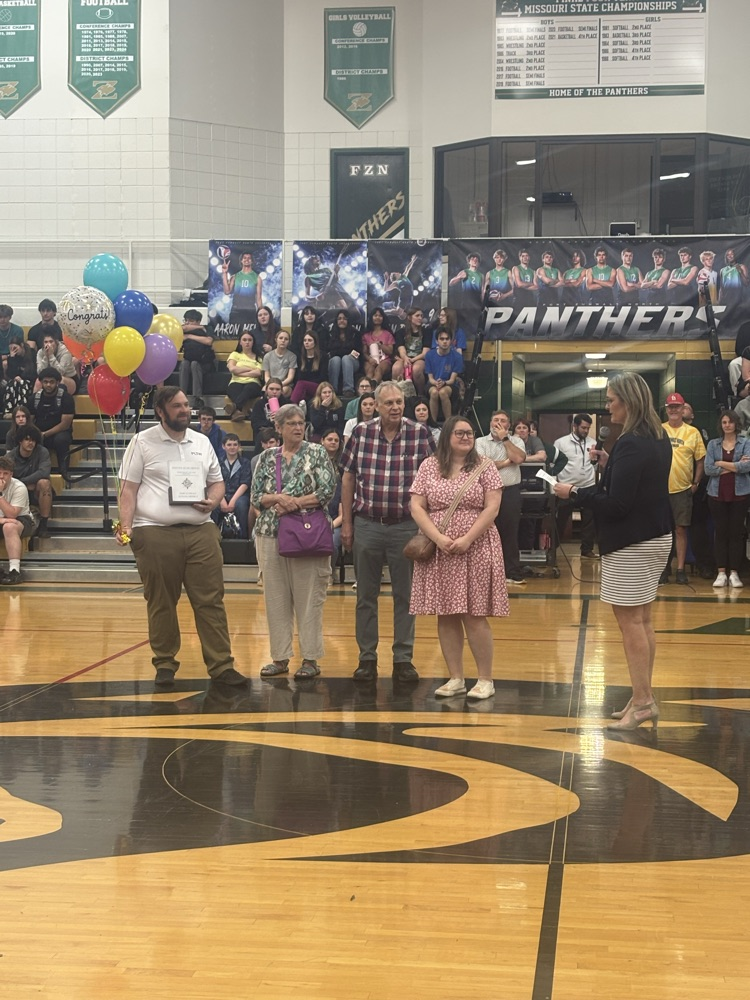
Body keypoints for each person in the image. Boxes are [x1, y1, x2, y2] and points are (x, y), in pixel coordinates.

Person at [553, 373, 671, 731]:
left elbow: (617, 504)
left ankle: (644, 701)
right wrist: (609, 463)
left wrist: (573, 493)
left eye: (611, 400)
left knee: (631, 623)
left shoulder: (631, 442)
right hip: (654, 535)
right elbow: (639, 485)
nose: (607, 407)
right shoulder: (658, 436)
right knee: (644, 620)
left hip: (632, 542)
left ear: (629, 402)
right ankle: (641, 697)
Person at [116, 386, 247, 690]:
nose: (184, 410)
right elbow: (128, 490)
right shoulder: (141, 442)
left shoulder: (201, 442)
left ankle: (222, 665)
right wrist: (126, 527)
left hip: (201, 530)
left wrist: (213, 502)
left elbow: (216, 483)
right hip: (154, 531)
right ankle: (164, 663)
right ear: (160, 411)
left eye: (186, 405)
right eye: (176, 406)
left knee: (211, 600)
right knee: (161, 601)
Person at [340, 381, 436, 683]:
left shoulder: (420, 434)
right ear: (376, 406)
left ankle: (402, 659)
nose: (396, 407)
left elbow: (433, 480)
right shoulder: (360, 433)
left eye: (399, 402)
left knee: (405, 597)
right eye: (389, 403)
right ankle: (366, 658)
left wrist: (428, 526)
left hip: (406, 527)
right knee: (365, 596)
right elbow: (348, 478)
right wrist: (347, 522)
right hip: (367, 524)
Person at [410, 414, 508, 700]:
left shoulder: (485, 466)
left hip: (476, 546)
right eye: (460, 433)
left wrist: (466, 539)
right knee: (446, 613)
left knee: (473, 613)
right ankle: (455, 677)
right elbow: (417, 506)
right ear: (447, 437)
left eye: (469, 433)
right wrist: (439, 539)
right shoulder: (429, 466)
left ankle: (485, 679)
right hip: (440, 547)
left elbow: (492, 508)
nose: (466, 437)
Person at [250, 404, 336, 680]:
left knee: (309, 597)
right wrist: (278, 499)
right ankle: (280, 657)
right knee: (275, 599)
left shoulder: (317, 452)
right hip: (269, 534)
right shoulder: (266, 458)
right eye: (292, 424)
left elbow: (326, 491)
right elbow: (255, 498)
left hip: (307, 534)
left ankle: (310, 658)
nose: (298, 428)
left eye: (301, 423)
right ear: (279, 427)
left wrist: (293, 502)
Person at [476, 410, 527, 585]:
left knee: (510, 532)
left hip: (510, 491)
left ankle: (512, 571)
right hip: (487, 493)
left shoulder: (517, 441)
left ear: (508, 425)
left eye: (503, 421)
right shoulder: (480, 442)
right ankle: (489, 573)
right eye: (495, 420)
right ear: (490, 423)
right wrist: (506, 462)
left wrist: (505, 439)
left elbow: (519, 457)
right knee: (487, 533)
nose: (498, 423)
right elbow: (483, 466)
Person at [662, 391, 706, 584]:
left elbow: (700, 460)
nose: (674, 410)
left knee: (680, 529)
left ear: (682, 409)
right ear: (666, 409)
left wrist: (695, 483)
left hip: (682, 489)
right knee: (662, 531)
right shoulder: (659, 430)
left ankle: (680, 569)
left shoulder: (693, 432)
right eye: (670, 407)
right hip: (660, 490)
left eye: (677, 407)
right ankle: (664, 568)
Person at [704, 409, 750, 589]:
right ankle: (721, 572)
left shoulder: (745, 442)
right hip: (716, 494)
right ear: (720, 425)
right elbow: (708, 469)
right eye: (724, 422)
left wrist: (722, 464)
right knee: (721, 533)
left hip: (740, 494)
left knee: (736, 534)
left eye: (730, 422)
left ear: (735, 424)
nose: (727, 425)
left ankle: (735, 573)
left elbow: (747, 466)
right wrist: (735, 466)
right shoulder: (713, 445)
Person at [554, 413, 598, 558]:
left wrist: (594, 461)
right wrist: (555, 485)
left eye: (588, 428)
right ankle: (553, 549)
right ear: (575, 426)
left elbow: (596, 466)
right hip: (566, 487)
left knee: (589, 519)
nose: (586, 431)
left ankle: (586, 550)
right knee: (561, 519)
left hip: (588, 486)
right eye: (583, 428)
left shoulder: (593, 442)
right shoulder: (561, 443)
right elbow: (553, 465)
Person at [7, 425, 53, 538]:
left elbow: (44, 472)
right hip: (17, 492)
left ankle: (44, 525)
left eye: (33, 440)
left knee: (44, 483)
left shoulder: (42, 452)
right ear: (20, 441)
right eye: (27, 439)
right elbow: (5, 477)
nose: (30, 443)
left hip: (35, 492)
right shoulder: (10, 456)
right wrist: (23, 485)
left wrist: (22, 482)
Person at [30, 368, 75, 476]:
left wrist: (45, 434)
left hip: (59, 433)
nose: (48, 385)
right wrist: (37, 434)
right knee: (27, 438)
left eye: (51, 382)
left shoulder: (66, 398)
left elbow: (65, 424)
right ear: (41, 382)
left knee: (61, 440)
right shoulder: (34, 398)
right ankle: (33, 472)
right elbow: (29, 420)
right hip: (39, 432)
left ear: (58, 382)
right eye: (45, 382)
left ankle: (64, 473)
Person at [0, 455, 37, 586]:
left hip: (22, 519)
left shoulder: (19, 487)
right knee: (5, 524)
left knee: (9, 527)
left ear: (11, 474)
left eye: (5, 473)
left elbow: (12, 514)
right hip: (2, 519)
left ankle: (14, 571)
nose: (2, 477)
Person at [211, 432, 251, 539]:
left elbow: (245, 483)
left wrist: (233, 501)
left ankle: (243, 538)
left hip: (239, 495)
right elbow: (214, 481)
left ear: (239, 446)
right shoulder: (217, 462)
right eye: (229, 445)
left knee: (241, 505)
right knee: (213, 505)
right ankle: (212, 537)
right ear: (223, 446)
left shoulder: (245, 462)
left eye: (235, 444)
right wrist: (221, 500)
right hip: (220, 495)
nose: (232, 447)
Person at [425, 328, 464, 423]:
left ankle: (448, 423)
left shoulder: (457, 357)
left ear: (451, 341)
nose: (444, 341)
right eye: (441, 339)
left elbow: (452, 380)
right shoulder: (429, 355)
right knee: (434, 392)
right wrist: (436, 383)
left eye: (447, 339)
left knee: (442, 392)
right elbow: (430, 378)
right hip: (433, 383)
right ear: (436, 341)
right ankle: (433, 424)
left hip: (450, 384)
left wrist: (444, 383)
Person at [179, 309, 215, 408]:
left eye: (190, 320)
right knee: (184, 364)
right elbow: (182, 329)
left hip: (204, 362)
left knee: (194, 364)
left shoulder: (207, 328)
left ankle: (197, 398)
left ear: (198, 321)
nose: (187, 323)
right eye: (185, 320)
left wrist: (190, 336)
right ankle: (181, 396)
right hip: (188, 361)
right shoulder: (182, 330)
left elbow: (208, 341)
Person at [224, 331, 263, 421]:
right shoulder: (235, 354)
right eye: (244, 340)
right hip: (235, 382)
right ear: (240, 342)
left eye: (250, 340)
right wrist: (251, 369)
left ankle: (234, 408)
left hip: (253, 383)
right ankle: (238, 411)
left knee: (248, 388)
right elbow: (232, 369)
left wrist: (240, 371)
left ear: (253, 342)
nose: (247, 342)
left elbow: (258, 373)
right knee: (235, 389)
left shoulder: (258, 357)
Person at [222, 250, 263, 332]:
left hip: (250, 310)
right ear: (241, 260)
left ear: (252, 261)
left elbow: (258, 298)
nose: (247, 260)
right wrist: (224, 273)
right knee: (234, 336)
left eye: (249, 258)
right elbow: (227, 291)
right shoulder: (235, 276)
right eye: (244, 258)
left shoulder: (257, 278)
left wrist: (261, 312)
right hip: (236, 310)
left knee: (250, 335)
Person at [392, 307, 429, 393]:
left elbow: (425, 353)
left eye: (421, 316)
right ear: (409, 317)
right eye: (417, 316)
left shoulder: (426, 332)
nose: (420, 318)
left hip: (419, 358)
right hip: (404, 357)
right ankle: (397, 394)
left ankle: (420, 394)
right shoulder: (401, 332)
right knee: (396, 368)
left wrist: (411, 360)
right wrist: (405, 358)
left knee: (416, 369)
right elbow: (401, 349)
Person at [326, 310, 361, 396]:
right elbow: (329, 350)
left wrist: (343, 353)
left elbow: (358, 352)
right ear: (336, 321)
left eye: (345, 319)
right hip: (335, 362)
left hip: (352, 362)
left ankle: (348, 390)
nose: (342, 320)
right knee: (336, 359)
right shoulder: (330, 334)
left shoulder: (355, 334)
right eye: (339, 318)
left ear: (348, 320)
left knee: (346, 358)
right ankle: (332, 390)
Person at [291, 330, 328, 405]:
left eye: (309, 340)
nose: (306, 342)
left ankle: (290, 406)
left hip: (318, 387)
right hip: (304, 388)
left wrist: (307, 383)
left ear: (315, 342)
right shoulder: (300, 357)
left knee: (301, 384)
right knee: (302, 394)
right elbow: (298, 376)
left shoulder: (323, 356)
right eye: (305, 340)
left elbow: (322, 377)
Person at [3, 334, 36, 413]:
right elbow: (10, 374)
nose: (13, 351)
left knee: (22, 384)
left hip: (29, 380)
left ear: (21, 345)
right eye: (11, 349)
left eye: (15, 348)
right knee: (11, 384)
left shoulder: (32, 353)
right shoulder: (12, 357)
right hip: (17, 380)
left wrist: (22, 378)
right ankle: (9, 410)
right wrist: (12, 359)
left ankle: (21, 410)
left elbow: (33, 372)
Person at [362, 308, 395, 383]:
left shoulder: (388, 334)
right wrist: (370, 359)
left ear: (383, 318)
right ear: (371, 317)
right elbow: (364, 352)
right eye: (375, 315)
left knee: (378, 370)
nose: (377, 317)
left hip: (385, 360)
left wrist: (380, 345)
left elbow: (390, 351)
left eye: (380, 316)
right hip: (370, 360)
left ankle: (373, 388)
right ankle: (366, 388)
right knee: (370, 370)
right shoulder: (366, 335)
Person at [250, 378, 285, 450]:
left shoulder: (287, 404)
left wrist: (280, 419)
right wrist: (270, 422)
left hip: (283, 431)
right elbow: (255, 424)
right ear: (266, 390)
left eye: (277, 389)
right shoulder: (259, 404)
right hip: (266, 432)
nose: (274, 392)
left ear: (282, 391)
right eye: (271, 389)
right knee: (262, 436)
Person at [262, 329, 297, 397]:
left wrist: (279, 385)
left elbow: (290, 377)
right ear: (276, 340)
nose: (283, 340)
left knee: (281, 392)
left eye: (286, 339)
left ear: (289, 342)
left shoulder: (292, 356)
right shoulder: (267, 356)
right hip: (270, 383)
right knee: (264, 391)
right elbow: (266, 376)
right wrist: (272, 385)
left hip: (285, 385)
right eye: (280, 338)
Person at [0, 304, 23, 376]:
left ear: (10, 317)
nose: (2, 320)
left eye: (5, 317)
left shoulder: (17, 330)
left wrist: (6, 357)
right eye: (0, 317)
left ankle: (6, 385)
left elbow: (17, 350)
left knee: (5, 364)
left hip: (13, 357)